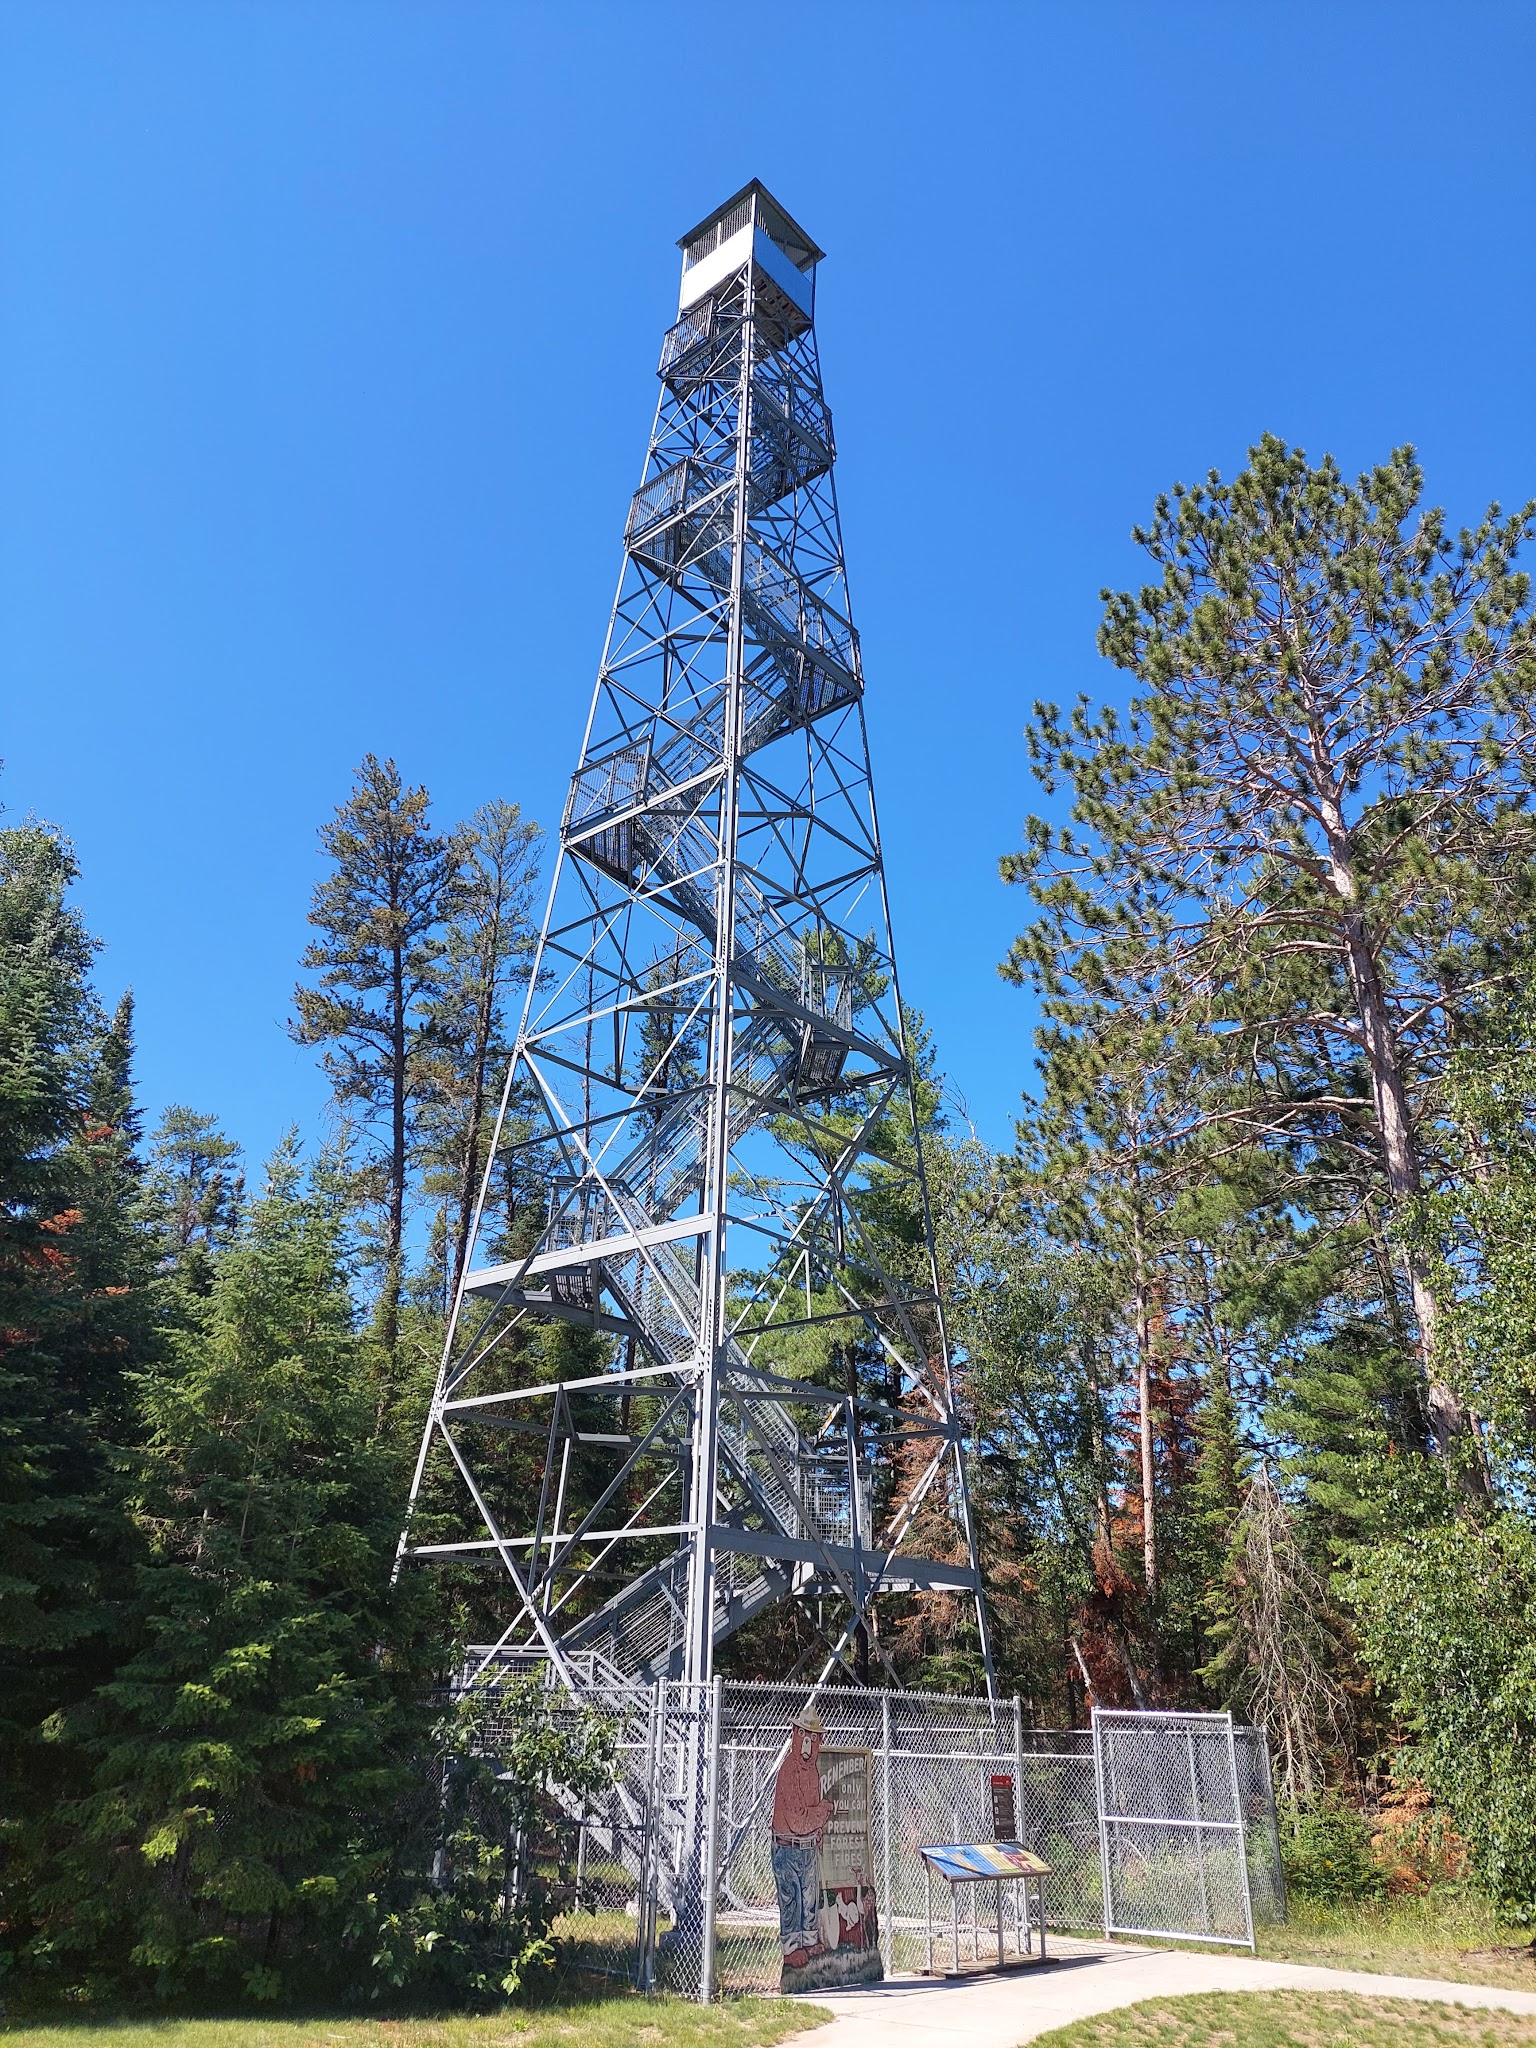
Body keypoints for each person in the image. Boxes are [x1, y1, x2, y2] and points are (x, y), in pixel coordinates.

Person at [772, 1705, 835, 1968]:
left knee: (809, 1898)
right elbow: (798, 1819)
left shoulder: (813, 1771)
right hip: (788, 1847)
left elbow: (812, 1806)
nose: (808, 1745)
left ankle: (809, 1941)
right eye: (803, 1736)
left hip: (808, 1847)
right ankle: (791, 1949)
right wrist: (824, 1811)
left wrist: (817, 1824)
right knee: (791, 1898)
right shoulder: (789, 1769)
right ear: (795, 1735)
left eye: (813, 1738)